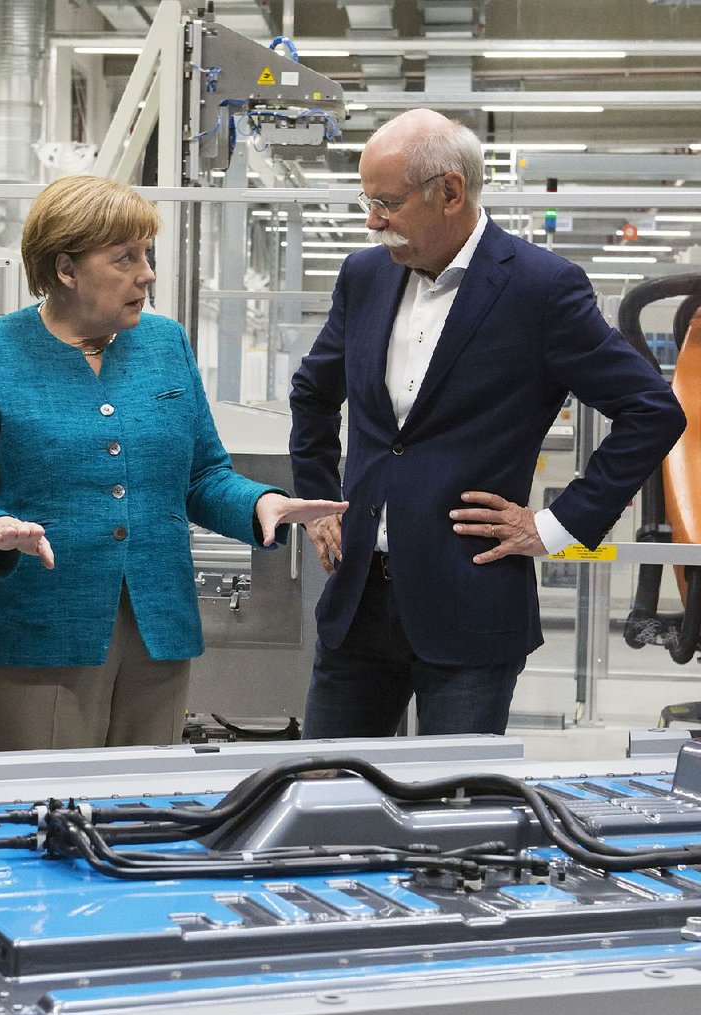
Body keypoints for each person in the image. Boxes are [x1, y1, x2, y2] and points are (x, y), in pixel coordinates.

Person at [289, 108, 686, 740]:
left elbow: (651, 410)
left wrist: (556, 526)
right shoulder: (364, 276)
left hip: (468, 603)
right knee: (323, 792)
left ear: (449, 192)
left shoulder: (540, 289)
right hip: (358, 602)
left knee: (457, 812)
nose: (372, 221)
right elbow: (313, 393)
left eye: (386, 203)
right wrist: (317, 501)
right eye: (366, 201)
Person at [0, 174, 347, 753]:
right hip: (37, 631)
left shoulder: (165, 344)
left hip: (157, 633)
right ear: (66, 269)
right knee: (48, 816)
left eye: (147, 255)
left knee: (144, 817)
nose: (146, 273)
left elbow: (202, 476)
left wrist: (262, 503)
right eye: (124, 258)